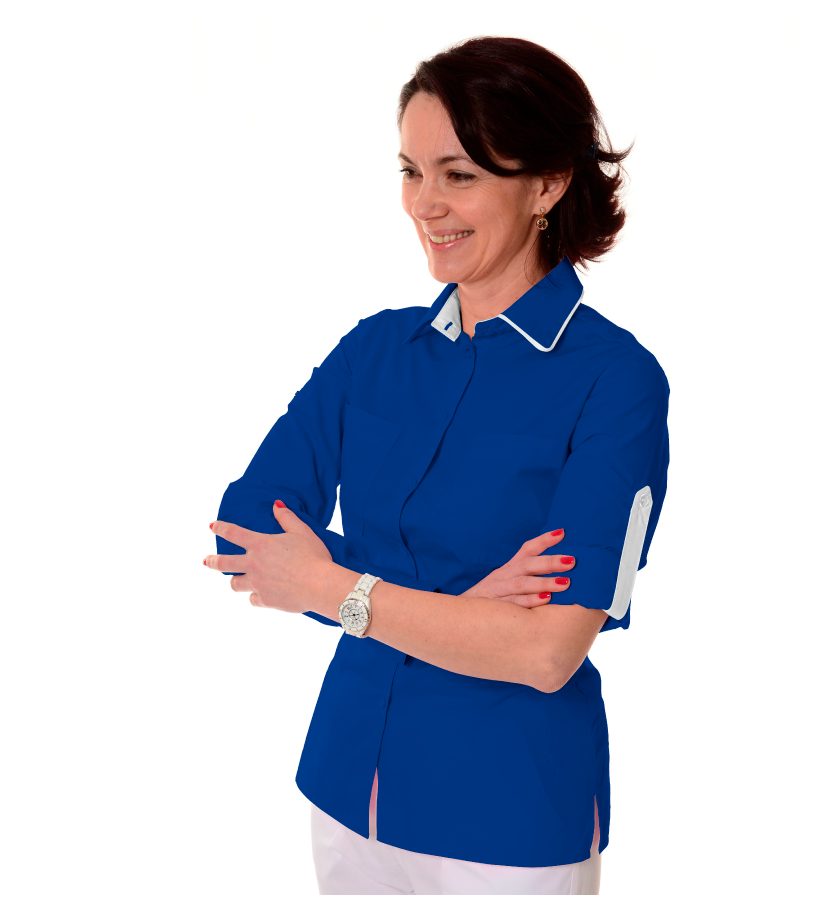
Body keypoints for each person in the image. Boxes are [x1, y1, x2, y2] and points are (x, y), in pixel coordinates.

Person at [206, 35, 670, 895]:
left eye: (459, 174)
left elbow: (546, 652)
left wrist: (331, 583)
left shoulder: (616, 383)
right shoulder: (375, 351)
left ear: (547, 184)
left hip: (509, 814)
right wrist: (458, 603)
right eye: (411, 171)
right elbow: (247, 535)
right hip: (347, 788)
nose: (426, 203)